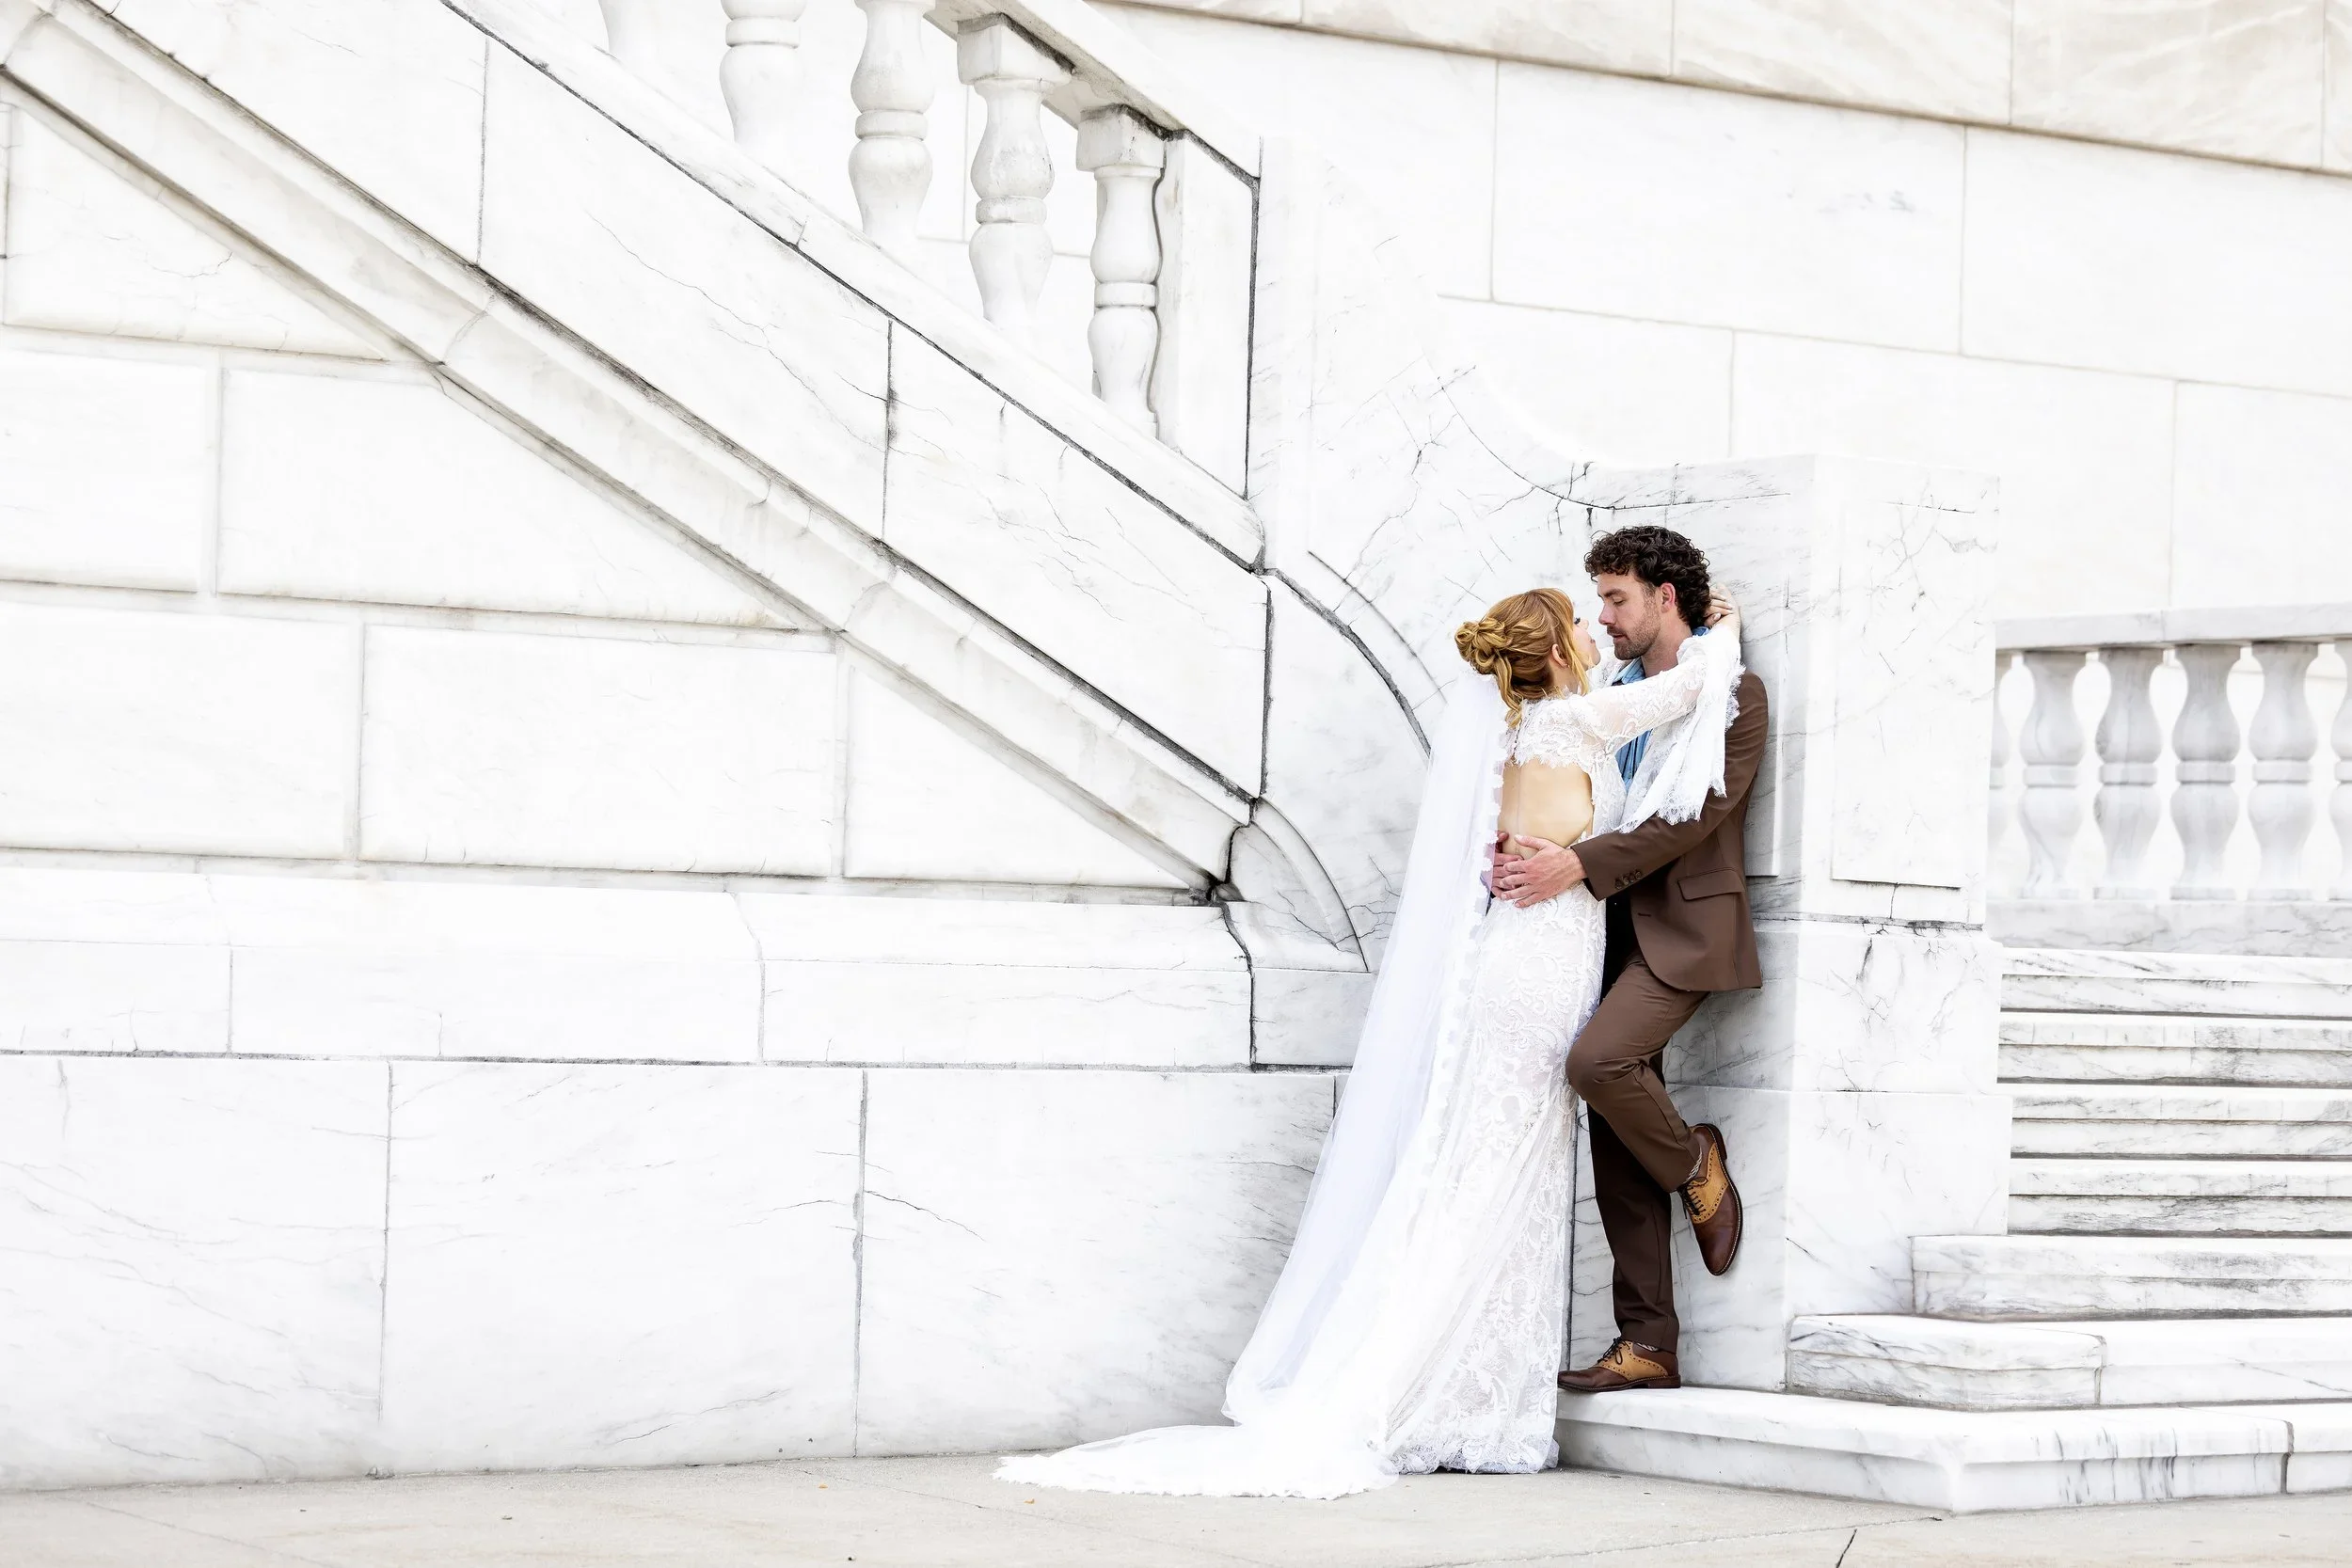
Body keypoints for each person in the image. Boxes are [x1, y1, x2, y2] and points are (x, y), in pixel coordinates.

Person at [997, 573, 1745, 1498]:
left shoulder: (1520, 732)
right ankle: (1443, 1397)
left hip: (1519, 960)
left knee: (1488, 1174)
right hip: (1540, 968)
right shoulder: (1567, 722)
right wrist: (1723, 632)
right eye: (1578, 627)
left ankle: (1460, 1397)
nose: (1595, 637)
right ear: (1554, 651)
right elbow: (1682, 691)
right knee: (1501, 1179)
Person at [1492, 526, 1768, 1395]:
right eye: (1600, 601)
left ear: (1665, 598)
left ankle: (1698, 1163)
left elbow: (1691, 818)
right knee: (1611, 1133)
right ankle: (1646, 1343)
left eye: (1616, 599)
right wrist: (1521, 852)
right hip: (1593, 933)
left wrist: (1576, 863)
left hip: (1682, 933)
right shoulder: (1608, 697)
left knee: (1597, 1062)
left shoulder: (1735, 697)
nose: (1603, 618)